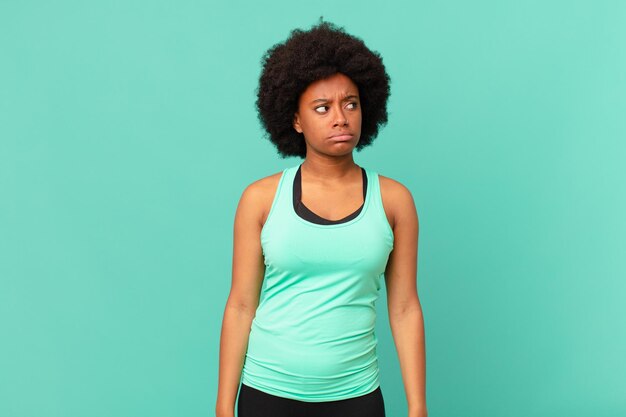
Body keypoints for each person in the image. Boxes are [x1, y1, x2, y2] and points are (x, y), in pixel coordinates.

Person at [216, 20, 427, 417]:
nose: (340, 118)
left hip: (357, 397)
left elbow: (405, 309)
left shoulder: (394, 201)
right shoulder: (260, 199)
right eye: (322, 108)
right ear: (295, 120)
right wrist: (224, 406)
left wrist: (418, 407)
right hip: (267, 394)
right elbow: (241, 305)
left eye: (350, 103)